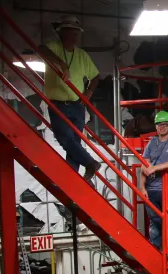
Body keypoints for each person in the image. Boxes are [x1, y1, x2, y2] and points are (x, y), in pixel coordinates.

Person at [38, 15, 100, 180]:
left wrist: (89, 92)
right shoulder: (54, 47)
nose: (72, 36)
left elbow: (95, 76)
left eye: (75, 32)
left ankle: (72, 177)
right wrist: (61, 64)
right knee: (64, 138)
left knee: (74, 142)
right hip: (58, 104)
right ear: (61, 33)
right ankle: (90, 163)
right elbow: (41, 49)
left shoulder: (81, 55)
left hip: (77, 105)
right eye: (68, 31)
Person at [139, 111, 168, 252]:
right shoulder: (152, 142)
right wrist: (142, 187)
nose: (161, 127)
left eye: (165, 124)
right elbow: (144, 165)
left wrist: (155, 167)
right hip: (151, 189)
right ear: (155, 127)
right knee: (155, 220)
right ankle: (155, 249)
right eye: (159, 124)